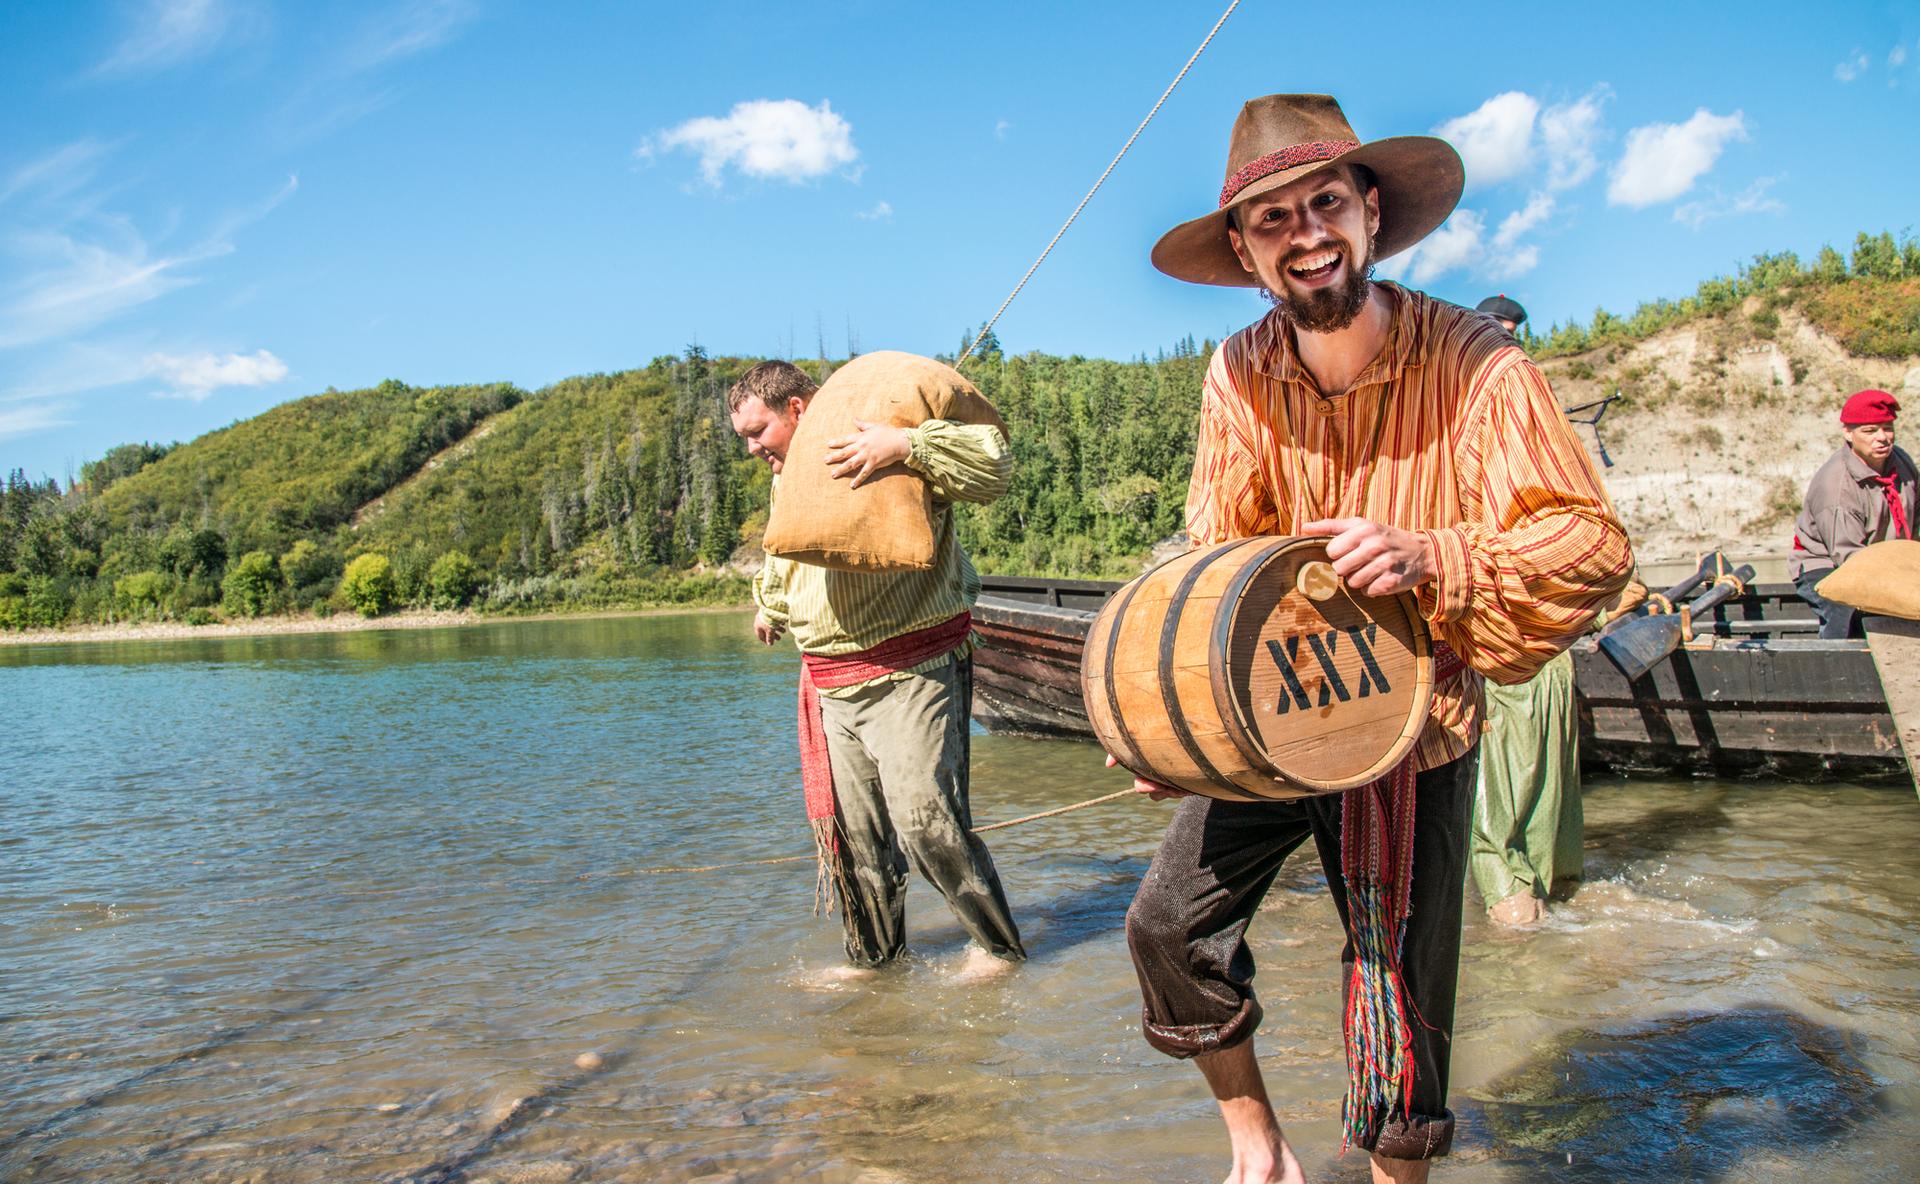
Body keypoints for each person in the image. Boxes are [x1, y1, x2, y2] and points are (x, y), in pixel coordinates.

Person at [1120, 94, 1632, 1183]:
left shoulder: (1477, 361)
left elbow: (1590, 545)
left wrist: (1434, 554)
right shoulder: (1239, 372)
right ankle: (1260, 1149)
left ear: (1370, 211)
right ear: (1250, 255)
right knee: (1167, 929)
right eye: (1272, 220)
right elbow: (1219, 555)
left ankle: (1400, 1174)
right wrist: (1172, 728)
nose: (1304, 232)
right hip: (1272, 710)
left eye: (1323, 203)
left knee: (1399, 991)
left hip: (1415, 721)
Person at [728, 360, 1026, 981]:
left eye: (758, 432)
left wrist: (907, 443)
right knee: (856, 840)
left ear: (798, 410)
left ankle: (996, 951)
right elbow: (789, 552)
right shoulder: (789, 478)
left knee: (927, 822)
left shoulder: (881, 440)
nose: (753, 449)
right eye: (744, 439)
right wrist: (771, 605)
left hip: (912, 668)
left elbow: (994, 466)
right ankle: (875, 963)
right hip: (831, 682)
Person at [1468, 290, 1581, 929]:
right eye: (1493, 329)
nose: (1503, 338)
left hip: (1546, 635)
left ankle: (1541, 887)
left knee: (1542, 775)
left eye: (1511, 332)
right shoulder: (1465, 415)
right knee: (1502, 777)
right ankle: (1514, 891)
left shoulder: (1529, 412)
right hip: (1497, 631)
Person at [1789, 389, 1916, 639]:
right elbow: (1849, 559)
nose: (1882, 438)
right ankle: (1836, 667)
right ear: (1848, 433)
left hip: (1889, 560)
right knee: (1847, 611)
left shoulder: (1900, 461)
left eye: (1887, 428)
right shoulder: (1836, 486)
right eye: (1869, 431)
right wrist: (1900, 586)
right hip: (1830, 565)